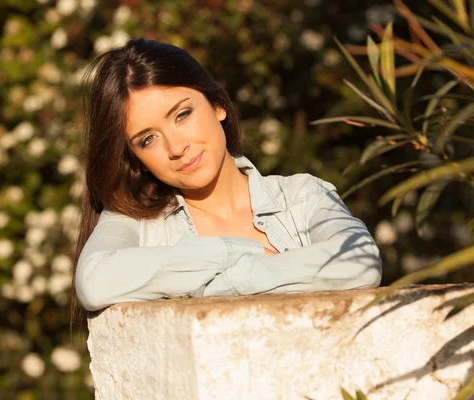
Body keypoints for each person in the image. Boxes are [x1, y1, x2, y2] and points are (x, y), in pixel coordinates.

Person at [71, 38, 382, 314]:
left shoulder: (303, 196)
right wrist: (234, 251)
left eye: (182, 115)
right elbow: (93, 282)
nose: (177, 147)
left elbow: (360, 260)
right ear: (135, 157)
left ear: (217, 105)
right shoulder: (135, 223)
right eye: (148, 139)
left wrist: (227, 284)